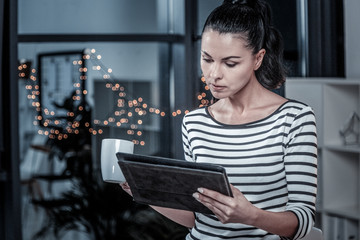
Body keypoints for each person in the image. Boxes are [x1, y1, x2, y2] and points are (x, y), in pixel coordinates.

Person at [121, 0, 318, 239]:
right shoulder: (194, 123)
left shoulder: (294, 119)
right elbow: (197, 218)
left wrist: (250, 215)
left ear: (258, 59)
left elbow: (303, 220)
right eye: (207, 59)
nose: (214, 74)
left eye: (230, 63)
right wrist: (145, 192)